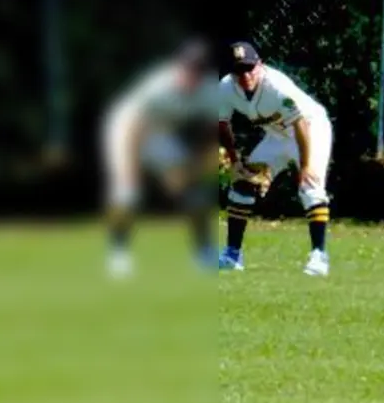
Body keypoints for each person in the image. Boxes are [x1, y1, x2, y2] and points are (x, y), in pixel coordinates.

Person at [99, 38, 218, 277]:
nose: (190, 75)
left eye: (197, 70)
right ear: (179, 66)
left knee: (194, 192)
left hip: (160, 132)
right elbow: (135, 128)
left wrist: (189, 171)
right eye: (187, 68)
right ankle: (117, 252)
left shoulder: (209, 90)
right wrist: (130, 171)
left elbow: (213, 134)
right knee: (127, 193)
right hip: (127, 127)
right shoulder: (159, 85)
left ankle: (203, 252)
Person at [216, 41, 334, 276]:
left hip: (310, 129)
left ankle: (319, 256)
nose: (246, 75)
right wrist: (235, 162)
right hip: (276, 136)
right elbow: (221, 123)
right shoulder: (226, 88)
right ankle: (232, 254)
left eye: (250, 68)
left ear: (260, 65)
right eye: (239, 70)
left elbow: (300, 123)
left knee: (310, 187)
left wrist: (306, 166)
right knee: (242, 184)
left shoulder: (276, 86)